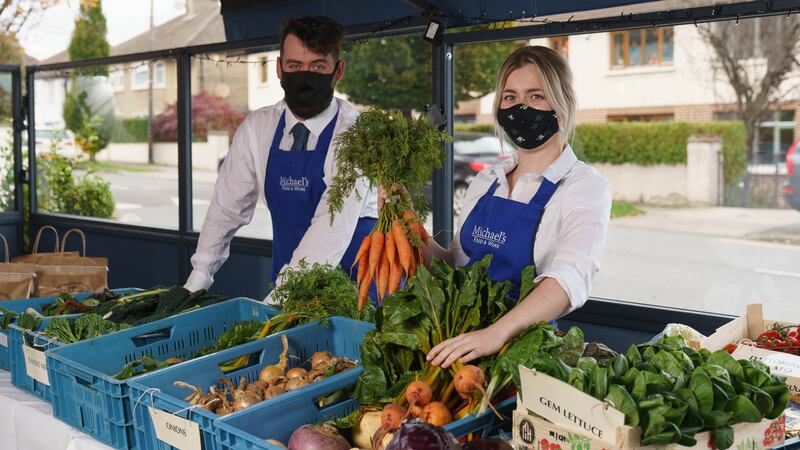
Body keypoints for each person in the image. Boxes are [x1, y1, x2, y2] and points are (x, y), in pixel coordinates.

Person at [425, 46, 611, 368]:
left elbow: (569, 280)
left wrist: (495, 334)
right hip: (462, 347)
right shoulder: (487, 182)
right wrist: (407, 230)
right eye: (510, 98)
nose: (520, 107)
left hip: (530, 357)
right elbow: (455, 264)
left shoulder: (583, 186)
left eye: (536, 96)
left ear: (561, 103)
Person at [184, 16, 377, 298]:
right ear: (279, 68)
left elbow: (332, 225)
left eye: (318, 66)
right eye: (294, 66)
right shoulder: (257, 128)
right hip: (287, 282)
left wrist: (280, 300)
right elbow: (225, 209)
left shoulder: (356, 133)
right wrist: (197, 281)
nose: (305, 76)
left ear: (338, 72)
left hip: (356, 290)